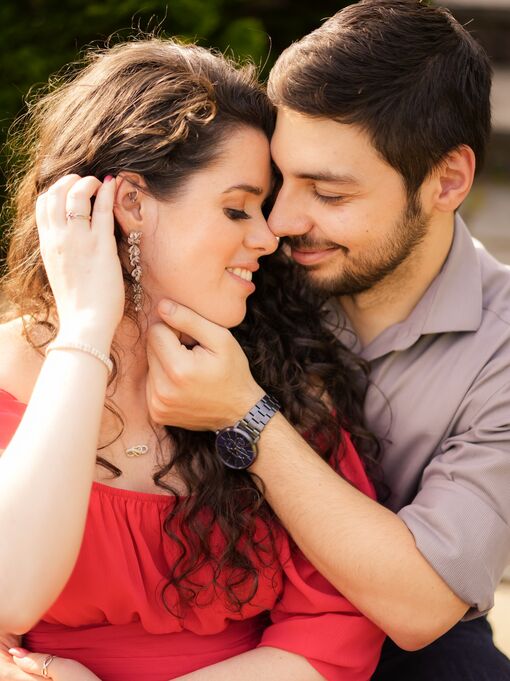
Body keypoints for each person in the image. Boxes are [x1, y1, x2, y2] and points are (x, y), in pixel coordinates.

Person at [133, 2, 510, 680]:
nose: (278, 220)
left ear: (447, 180)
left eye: (329, 194)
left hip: (392, 626)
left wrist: (243, 415)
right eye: (280, 180)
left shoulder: (503, 347)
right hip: (196, 592)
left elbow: (423, 605)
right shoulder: (244, 255)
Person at [0, 37, 385, 681]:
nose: (267, 238)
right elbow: (9, 590)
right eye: (237, 208)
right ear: (131, 205)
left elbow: (336, 624)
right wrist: (88, 329)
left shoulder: (274, 379)